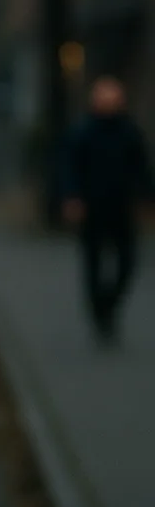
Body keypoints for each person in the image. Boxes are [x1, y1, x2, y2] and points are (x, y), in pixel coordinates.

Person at [62, 75, 153, 343]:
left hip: (121, 208)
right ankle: (99, 314)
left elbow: (142, 168)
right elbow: (70, 167)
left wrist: (147, 196)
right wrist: (72, 197)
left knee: (128, 262)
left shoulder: (129, 132)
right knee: (92, 264)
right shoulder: (83, 131)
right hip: (92, 208)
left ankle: (109, 305)